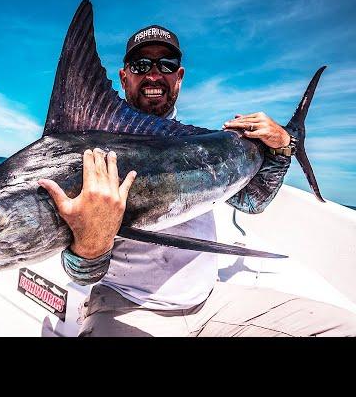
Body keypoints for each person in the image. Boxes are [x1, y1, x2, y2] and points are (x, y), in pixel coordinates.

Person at [38, 25, 356, 337]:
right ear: (125, 76)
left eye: (166, 65)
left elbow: (252, 201)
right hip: (128, 309)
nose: (153, 75)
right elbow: (81, 272)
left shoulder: (210, 150)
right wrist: (90, 245)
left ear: (179, 77)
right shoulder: (86, 155)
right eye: (141, 65)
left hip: (211, 304)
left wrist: (284, 146)